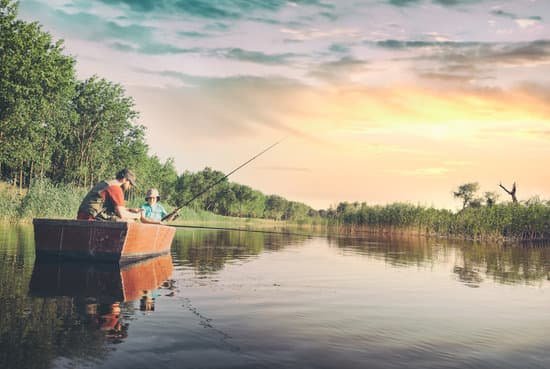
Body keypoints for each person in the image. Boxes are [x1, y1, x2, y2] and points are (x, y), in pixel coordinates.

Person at [77, 168, 142, 221]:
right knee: (129, 221)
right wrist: (137, 216)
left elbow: (115, 209)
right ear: (124, 179)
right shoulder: (116, 188)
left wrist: (130, 210)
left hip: (82, 216)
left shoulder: (104, 183)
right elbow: (122, 214)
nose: (130, 187)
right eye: (130, 183)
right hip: (91, 219)